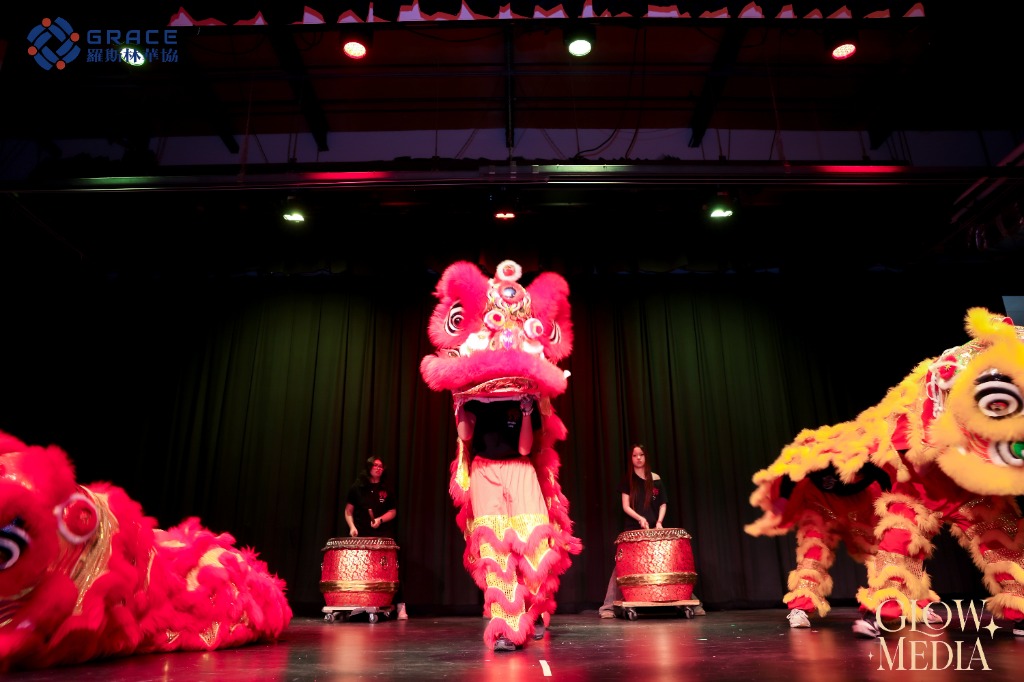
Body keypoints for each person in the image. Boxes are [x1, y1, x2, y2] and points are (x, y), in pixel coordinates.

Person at [456, 395, 554, 651]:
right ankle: (506, 630)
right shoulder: (475, 398)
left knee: (532, 540)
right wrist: (458, 405)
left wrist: (525, 412)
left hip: (519, 468)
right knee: (496, 549)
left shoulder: (524, 397)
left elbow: (524, 449)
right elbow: (465, 435)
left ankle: (534, 611)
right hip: (485, 472)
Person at [599, 443, 705, 618]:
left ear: (645, 456)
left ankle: (693, 603)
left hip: (655, 528)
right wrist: (639, 518)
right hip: (633, 528)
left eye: (641, 454)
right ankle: (608, 607)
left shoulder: (655, 478)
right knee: (623, 566)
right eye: (634, 455)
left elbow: (662, 503)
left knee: (667, 565)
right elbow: (625, 506)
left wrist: (659, 522)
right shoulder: (628, 480)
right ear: (631, 459)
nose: (638, 458)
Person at [344, 455, 407, 620]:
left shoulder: (386, 488)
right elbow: (348, 511)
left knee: (390, 570)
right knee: (363, 571)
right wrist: (352, 527)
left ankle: (400, 605)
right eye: (376, 465)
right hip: (362, 536)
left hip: (382, 535)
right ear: (369, 467)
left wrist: (380, 520)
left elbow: (393, 512)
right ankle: (362, 604)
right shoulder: (357, 488)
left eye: (381, 466)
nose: (379, 468)